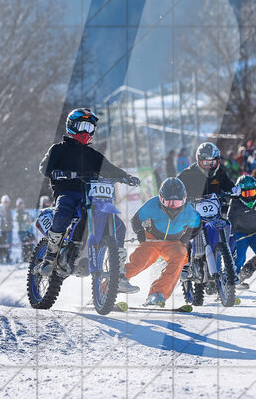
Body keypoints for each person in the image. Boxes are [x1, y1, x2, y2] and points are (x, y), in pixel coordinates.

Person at [37, 107, 140, 280]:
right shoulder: (59, 149)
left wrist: (126, 177)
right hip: (68, 191)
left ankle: (118, 272)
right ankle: (50, 256)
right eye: (83, 126)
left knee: (119, 226)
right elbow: (44, 167)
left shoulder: (92, 155)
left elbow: (109, 169)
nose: (86, 131)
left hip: (91, 195)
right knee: (63, 211)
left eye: (90, 128)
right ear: (72, 126)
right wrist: (55, 172)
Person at [124, 177, 200, 306]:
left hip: (174, 243)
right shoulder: (152, 204)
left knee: (180, 257)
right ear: (160, 198)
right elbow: (136, 219)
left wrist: (185, 239)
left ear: (184, 200)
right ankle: (110, 286)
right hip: (152, 240)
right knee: (139, 262)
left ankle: (157, 294)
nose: (172, 207)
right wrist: (140, 232)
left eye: (177, 203)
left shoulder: (189, 211)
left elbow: (197, 226)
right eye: (168, 203)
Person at [15, 198, 35, 263]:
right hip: (22, 232)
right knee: (25, 246)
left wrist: (29, 219)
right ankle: (25, 259)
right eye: (20, 204)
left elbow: (32, 219)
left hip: (29, 231)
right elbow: (20, 220)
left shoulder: (26, 212)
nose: (21, 205)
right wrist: (25, 219)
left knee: (31, 245)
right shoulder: (17, 213)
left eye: (22, 204)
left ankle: (30, 258)